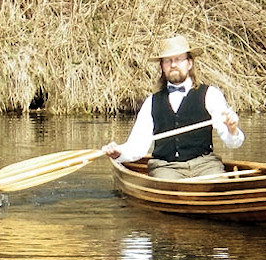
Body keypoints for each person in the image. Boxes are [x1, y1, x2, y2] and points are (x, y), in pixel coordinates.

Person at [102, 35, 245, 179]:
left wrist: (232, 129)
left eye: (178, 59)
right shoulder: (151, 102)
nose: (173, 65)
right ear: (162, 67)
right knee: (169, 187)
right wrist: (118, 152)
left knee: (218, 186)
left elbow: (233, 143)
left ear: (189, 63)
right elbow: (136, 146)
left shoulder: (210, 95)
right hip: (166, 166)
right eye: (168, 61)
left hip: (205, 165)